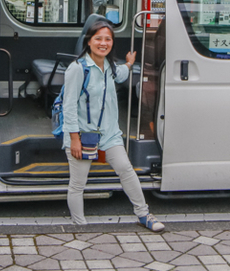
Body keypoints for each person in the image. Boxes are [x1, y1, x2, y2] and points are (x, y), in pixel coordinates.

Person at [62, 19, 165, 232]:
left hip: (109, 134)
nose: (103, 43)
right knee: (78, 184)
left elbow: (120, 74)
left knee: (126, 170)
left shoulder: (109, 66)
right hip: (83, 135)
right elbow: (68, 106)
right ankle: (79, 226)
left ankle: (143, 214)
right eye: (98, 38)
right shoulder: (78, 69)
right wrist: (74, 139)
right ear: (88, 41)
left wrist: (129, 63)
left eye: (108, 39)